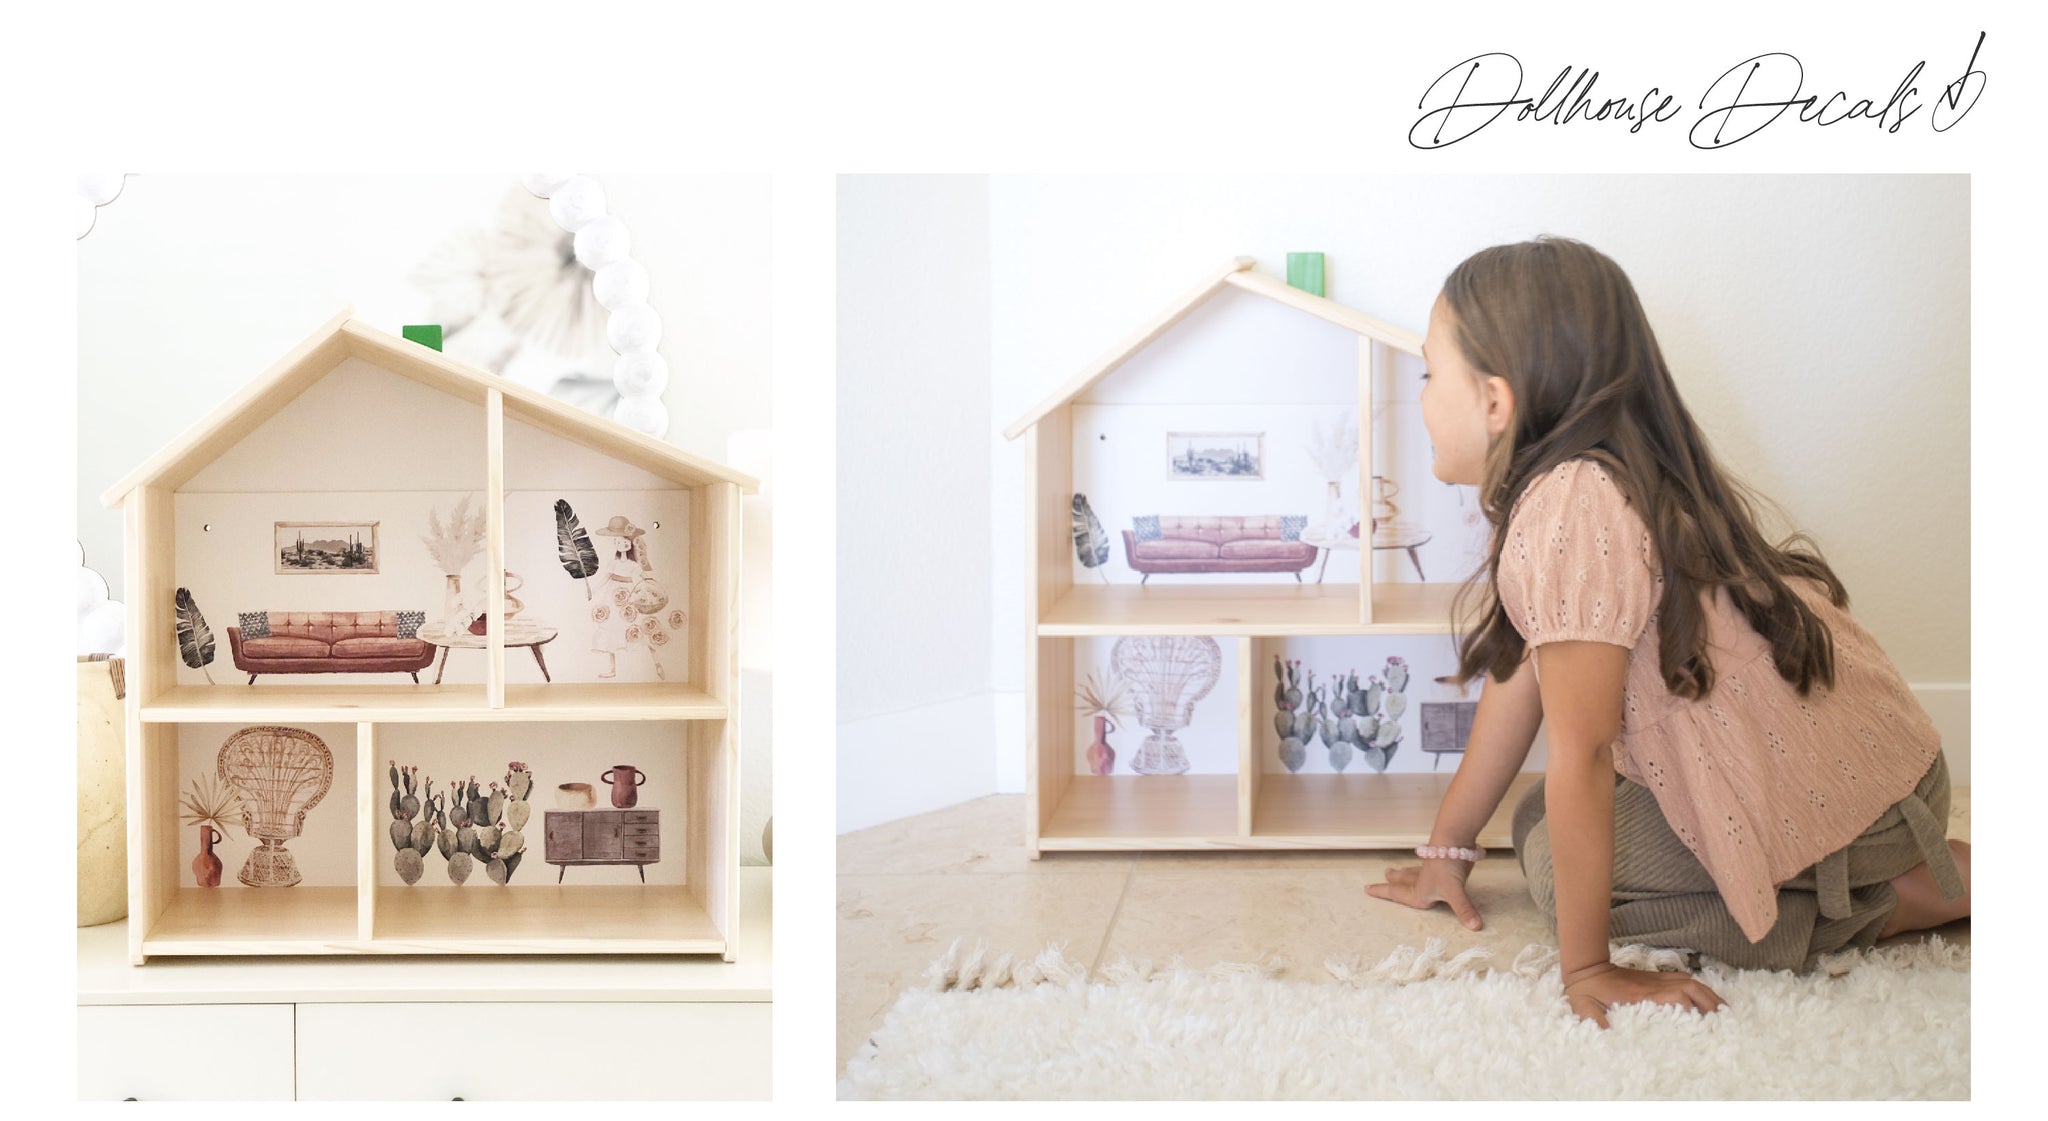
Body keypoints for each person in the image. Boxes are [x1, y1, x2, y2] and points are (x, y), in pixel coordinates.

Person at [1363, 237, 1968, 1029]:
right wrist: (1449, 848)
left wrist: (1588, 969)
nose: (1422, 397)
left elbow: (1578, 747)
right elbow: (1520, 679)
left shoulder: (1568, 510)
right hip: (1878, 764)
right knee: (1544, 816)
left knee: (1554, 867)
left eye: (1428, 374)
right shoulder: (1578, 483)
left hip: (1861, 802)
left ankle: (1901, 893)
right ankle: (1886, 867)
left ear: (1497, 403)